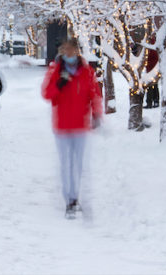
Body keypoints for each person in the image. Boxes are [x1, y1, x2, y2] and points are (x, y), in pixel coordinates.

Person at [42, 38, 103, 219]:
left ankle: (75, 197)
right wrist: (59, 84)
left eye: (71, 50)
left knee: (78, 165)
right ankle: (69, 199)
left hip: (80, 125)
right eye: (65, 50)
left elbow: (95, 94)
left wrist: (97, 114)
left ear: (77, 51)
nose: (68, 54)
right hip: (62, 125)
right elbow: (46, 93)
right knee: (66, 165)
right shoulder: (55, 70)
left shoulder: (86, 71)